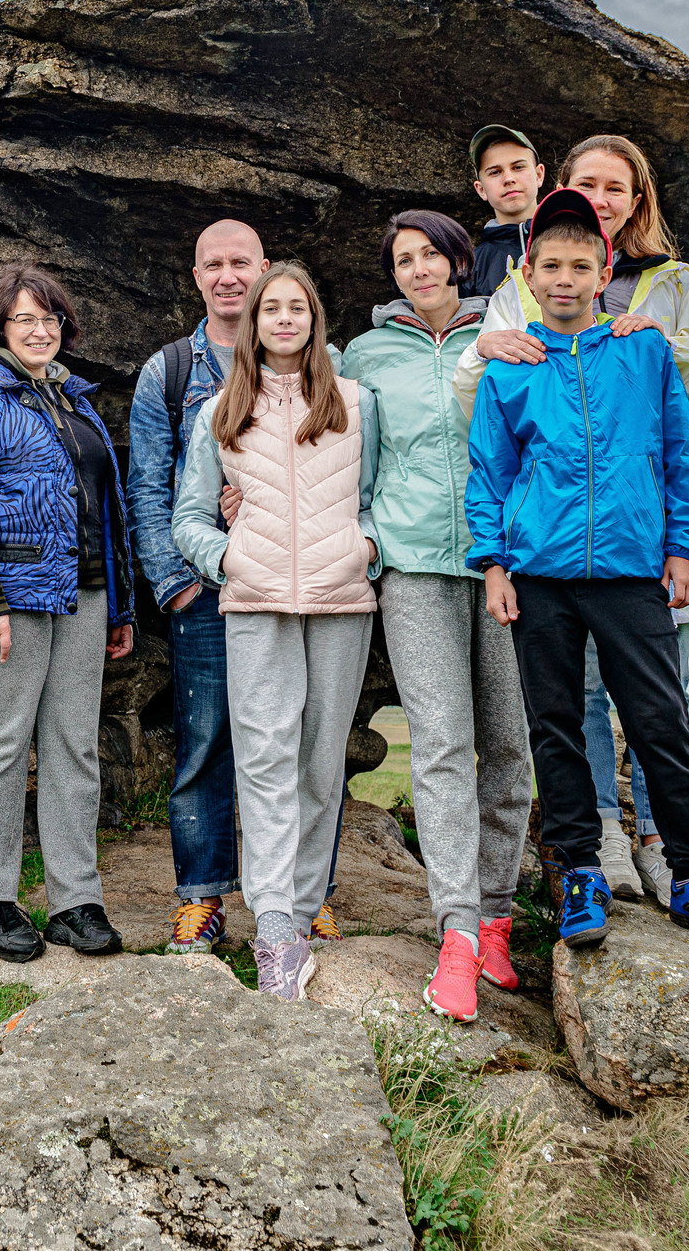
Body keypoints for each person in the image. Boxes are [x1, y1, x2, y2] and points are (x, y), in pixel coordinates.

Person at [454, 133, 689, 906]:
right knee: (555, 727)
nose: (564, 277)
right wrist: (493, 563)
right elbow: (490, 473)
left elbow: (682, 452)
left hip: (629, 568)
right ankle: (580, 868)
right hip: (542, 573)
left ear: (604, 273)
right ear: (528, 273)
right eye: (549, 265)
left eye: (580, 265)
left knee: (659, 722)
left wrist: (686, 549)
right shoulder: (512, 365)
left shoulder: (644, 346)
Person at [172, 262, 382, 1000]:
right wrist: (226, 557)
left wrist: (369, 547)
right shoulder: (222, 409)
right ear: (254, 322)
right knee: (263, 757)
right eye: (272, 309)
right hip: (256, 602)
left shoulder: (356, 402)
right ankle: (275, 932)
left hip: (340, 602)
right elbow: (187, 516)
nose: (285, 319)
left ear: (315, 320)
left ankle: (298, 903)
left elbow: (381, 494)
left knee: (320, 762)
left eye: (298, 307)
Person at [339, 210, 528, 1022]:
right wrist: (368, 534)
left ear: (459, 259)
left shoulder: (509, 326)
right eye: (402, 260)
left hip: (509, 564)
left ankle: (496, 917)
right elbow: (340, 448)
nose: (418, 269)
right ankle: (453, 930)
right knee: (443, 743)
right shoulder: (365, 353)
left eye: (431, 255)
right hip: (413, 564)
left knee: (511, 742)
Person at [0, 262, 137, 963]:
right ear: (0, 327)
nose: (40, 329)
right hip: (6, 597)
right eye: (25, 318)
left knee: (73, 746)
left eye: (50, 318)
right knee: (0, 742)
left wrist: (119, 602)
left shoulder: (75, 401)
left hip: (83, 594)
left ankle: (75, 901)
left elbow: (104, 512)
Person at [127, 221, 268, 955]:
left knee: (299, 744)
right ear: (195, 275)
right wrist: (176, 585)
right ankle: (202, 899)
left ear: (264, 267)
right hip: (204, 588)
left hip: (287, 584)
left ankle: (304, 898)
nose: (228, 276)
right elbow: (147, 487)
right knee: (205, 742)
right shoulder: (169, 372)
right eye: (213, 263)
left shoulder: (301, 356)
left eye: (240, 262)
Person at [462, 125, 544, 299]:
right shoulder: (471, 267)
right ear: (481, 189)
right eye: (495, 172)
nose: (508, 179)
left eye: (518, 167)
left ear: (539, 175)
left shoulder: (575, 240)